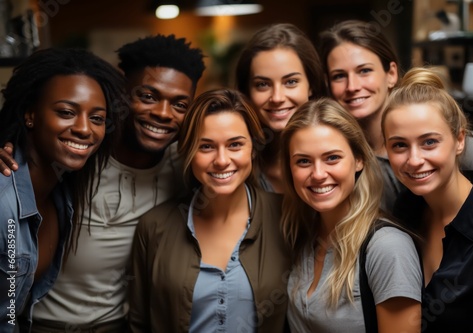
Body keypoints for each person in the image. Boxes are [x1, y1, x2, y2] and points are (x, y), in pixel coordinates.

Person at [0, 35, 206, 332]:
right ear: (121, 94)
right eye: (147, 96)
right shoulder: (77, 160)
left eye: (179, 104)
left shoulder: (185, 167)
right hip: (40, 322)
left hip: (116, 325)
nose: (162, 113)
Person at [128, 89, 291, 333]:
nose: (222, 160)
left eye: (235, 144)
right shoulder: (154, 226)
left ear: (253, 149)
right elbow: (138, 323)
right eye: (206, 147)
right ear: (188, 153)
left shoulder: (287, 216)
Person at [0, 47, 127, 332]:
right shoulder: (3, 201)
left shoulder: (61, 194)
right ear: (30, 115)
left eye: (97, 118)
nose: (85, 129)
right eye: (67, 112)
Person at [318, 19, 473, 211]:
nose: (352, 86)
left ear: (391, 74)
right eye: (339, 76)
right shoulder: (341, 160)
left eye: (364, 70)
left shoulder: (447, 141)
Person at [280, 97, 422, 333]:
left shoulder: (388, 248)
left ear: (358, 160)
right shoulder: (304, 234)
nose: (317, 174)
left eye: (332, 158)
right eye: (303, 161)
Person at [382, 67, 473, 332]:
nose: (414, 160)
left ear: (459, 140)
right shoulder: (405, 210)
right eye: (399, 145)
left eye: (429, 142)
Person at [235, 23, 328, 193]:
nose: (277, 98)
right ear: (247, 92)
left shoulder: (343, 158)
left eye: (291, 82)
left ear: (311, 85)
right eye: (262, 84)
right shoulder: (234, 163)